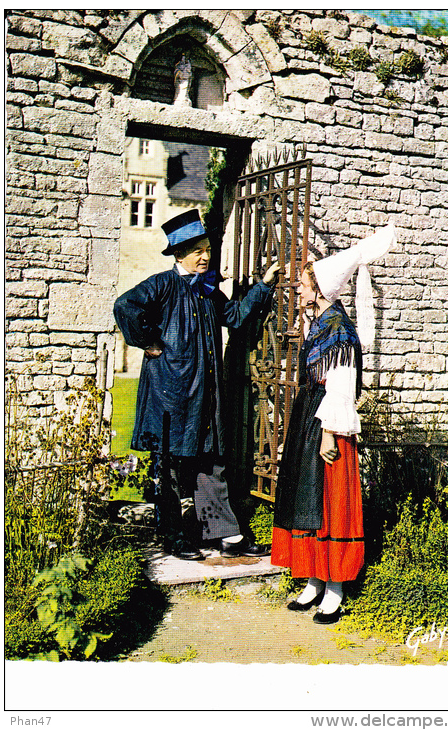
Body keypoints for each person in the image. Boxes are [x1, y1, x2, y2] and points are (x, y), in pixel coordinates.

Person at [114, 209, 280, 560]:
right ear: (179, 255)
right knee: (170, 467)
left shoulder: (207, 290)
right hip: (170, 396)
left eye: (207, 249)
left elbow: (234, 316)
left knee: (211, 461)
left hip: (205, 394)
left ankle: (227, 535)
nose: (205, 256)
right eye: (197, 251)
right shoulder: (161, 285)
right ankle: (173, 537)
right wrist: (148, 342)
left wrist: (263, 286)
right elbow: (125, 306)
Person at [271, 223, 396, 623]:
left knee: (329, 504)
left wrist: (327, 433)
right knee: (306, 499)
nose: (300, 290)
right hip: (310, 418)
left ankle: (335, 589)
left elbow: (341, 386)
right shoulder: (319, 324)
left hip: (329, 425)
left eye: (305, 285)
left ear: (321, 290)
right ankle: (312, 581)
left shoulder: (339, 332)